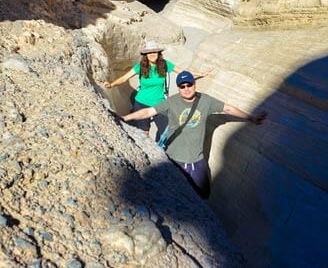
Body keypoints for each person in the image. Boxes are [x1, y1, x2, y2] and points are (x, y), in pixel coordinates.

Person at [120, 70, 267, 198]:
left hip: (197, 160)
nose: (186, 89)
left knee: (204, 194)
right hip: (174, 158)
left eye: (189, 84)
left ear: (194, 84)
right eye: (182, 86)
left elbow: (227, 109)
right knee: (178, 194)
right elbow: (148, 111)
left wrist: (251, 117)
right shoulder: (171, 102)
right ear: (178, 88)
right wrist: (126, 118)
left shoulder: (206, 101)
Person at [104, 41, 212, 140]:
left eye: (154, 52)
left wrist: (201, 74)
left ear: (158, 53)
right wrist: (111, 84)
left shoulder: (165, 65)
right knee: (144, 132)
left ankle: (162, 151)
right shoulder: (140, 67)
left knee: (165, 131)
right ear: (145, 55)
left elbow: (183, 72)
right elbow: (124, 78)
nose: (152, 54)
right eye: (149, 52)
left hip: (159, 103)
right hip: (141, 103)